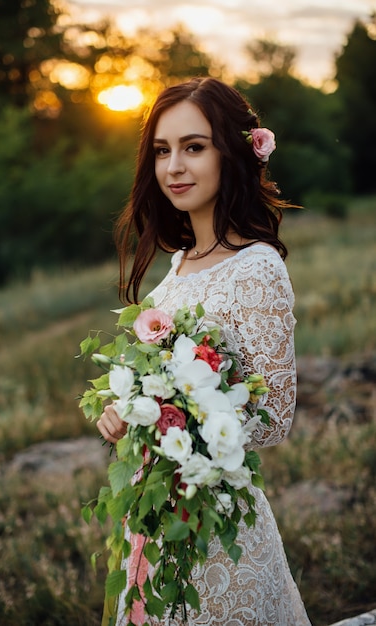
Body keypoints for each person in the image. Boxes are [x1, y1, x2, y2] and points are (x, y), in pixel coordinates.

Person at [97, 77, 311, 626]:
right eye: (163, 151)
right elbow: (158, 374)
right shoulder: (179, 264)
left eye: (194, 147)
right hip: (158, 512)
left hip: (218, 519)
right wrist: (128, 410)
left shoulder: (257, 268)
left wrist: (172, 417)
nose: (174, 167)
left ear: (231, 152)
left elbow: (273, 417)